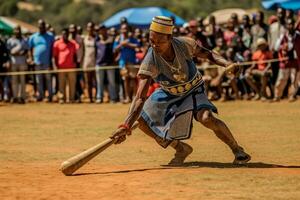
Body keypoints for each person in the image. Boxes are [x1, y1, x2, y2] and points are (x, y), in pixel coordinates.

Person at [111, 16, 251, 166]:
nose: (155, 45)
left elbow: (208, 54)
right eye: (152, 41)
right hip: (168, 93)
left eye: (160, 41)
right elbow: (140, 97)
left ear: (170, 37)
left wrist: (227, 63)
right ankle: (180, 148)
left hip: (193, 88)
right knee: (142, 120)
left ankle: (237, 149)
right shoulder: (150, 59)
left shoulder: (184, 44)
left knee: (206, 118)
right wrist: (126, 126)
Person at [28, 19, 55, 102]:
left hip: (47, 62)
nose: (41, 27)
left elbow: (52, 49)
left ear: (45, 26)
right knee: (39, 80)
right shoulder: (33, 37)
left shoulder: (50, 36)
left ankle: (50, 96)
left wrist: (52, 62)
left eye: (43, 25)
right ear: (38, 26)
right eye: (40, 26)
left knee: (48, 80)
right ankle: (41, 95)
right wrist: (31, 59)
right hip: (37, 62)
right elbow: (29, 48)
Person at [52, 28, 78, 103]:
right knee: (61, 85)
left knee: (72, 84)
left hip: (71, 67)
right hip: (61, 68)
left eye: (66, 34)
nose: (64, 35)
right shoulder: (57, 43)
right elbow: (54, 56)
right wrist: (55, 66)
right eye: (63, 34)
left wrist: (76, 65)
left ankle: (71, 99)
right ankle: (62, 98)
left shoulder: (73, 43)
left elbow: (75, 55)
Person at [95, 25, 117, 103]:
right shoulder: (97, 39)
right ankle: (99, 97)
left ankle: (113, 98)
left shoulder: (111, 39)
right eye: (101, 30)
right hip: (99, 64)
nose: (102, 31)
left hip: (109, 63)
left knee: (111, 82)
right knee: (99, 82)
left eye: (104, 29)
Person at [6, 26, 29, 104]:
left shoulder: (24, 40)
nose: (17, 31)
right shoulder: (10, 41)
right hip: (13, 63)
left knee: (22, 80)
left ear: (20, 31)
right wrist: (13, 54)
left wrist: (20, 53)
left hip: (22, 62)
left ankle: (22, 97)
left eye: (18, 30)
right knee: (14, 81)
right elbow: (8, 52)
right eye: (15, 30)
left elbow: (26, 50)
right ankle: (15, 97)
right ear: (13, 31)